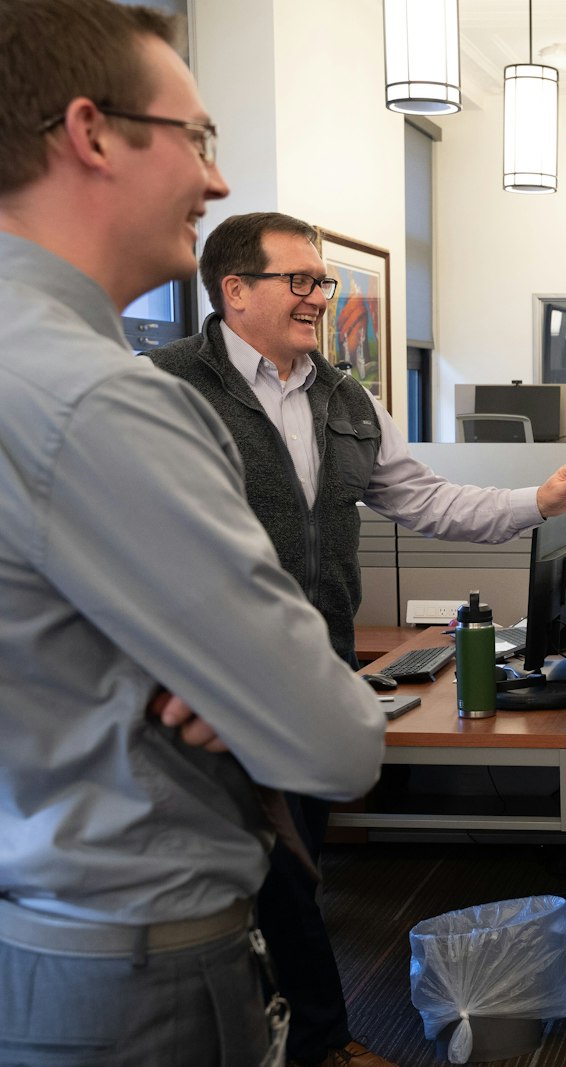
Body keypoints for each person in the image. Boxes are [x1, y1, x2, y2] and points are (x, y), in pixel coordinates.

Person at [0, 2, 388, 1064]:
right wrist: (250, 682)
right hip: (135, 977)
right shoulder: (107, 399)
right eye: (198, 140)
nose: (215, 181)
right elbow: (336, 740)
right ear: (91, 132)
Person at [146, 210, 566, 1067]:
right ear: (234, 290)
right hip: (206, 678)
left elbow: (425, 500)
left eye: (322, 280)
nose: (320, 296)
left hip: (313, 669)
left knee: (298, 867)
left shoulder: (344, 396)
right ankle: (315, 1042)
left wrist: (533, 503)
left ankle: (284, 1033)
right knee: (255, 882)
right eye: (302, 280)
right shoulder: (165, 386)